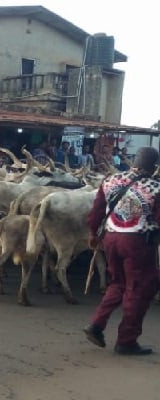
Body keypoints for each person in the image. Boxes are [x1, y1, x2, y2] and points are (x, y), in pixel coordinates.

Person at [84, 146, 160, 356]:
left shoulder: (110, 180)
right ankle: (127, 340)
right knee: (138, 289)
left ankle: (96, 324)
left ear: (135, 161)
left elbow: (96, 211)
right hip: (138, 243)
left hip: (111, 239)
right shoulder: (155, 188)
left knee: (117, 283)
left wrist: (92, 234)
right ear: (154, 166)